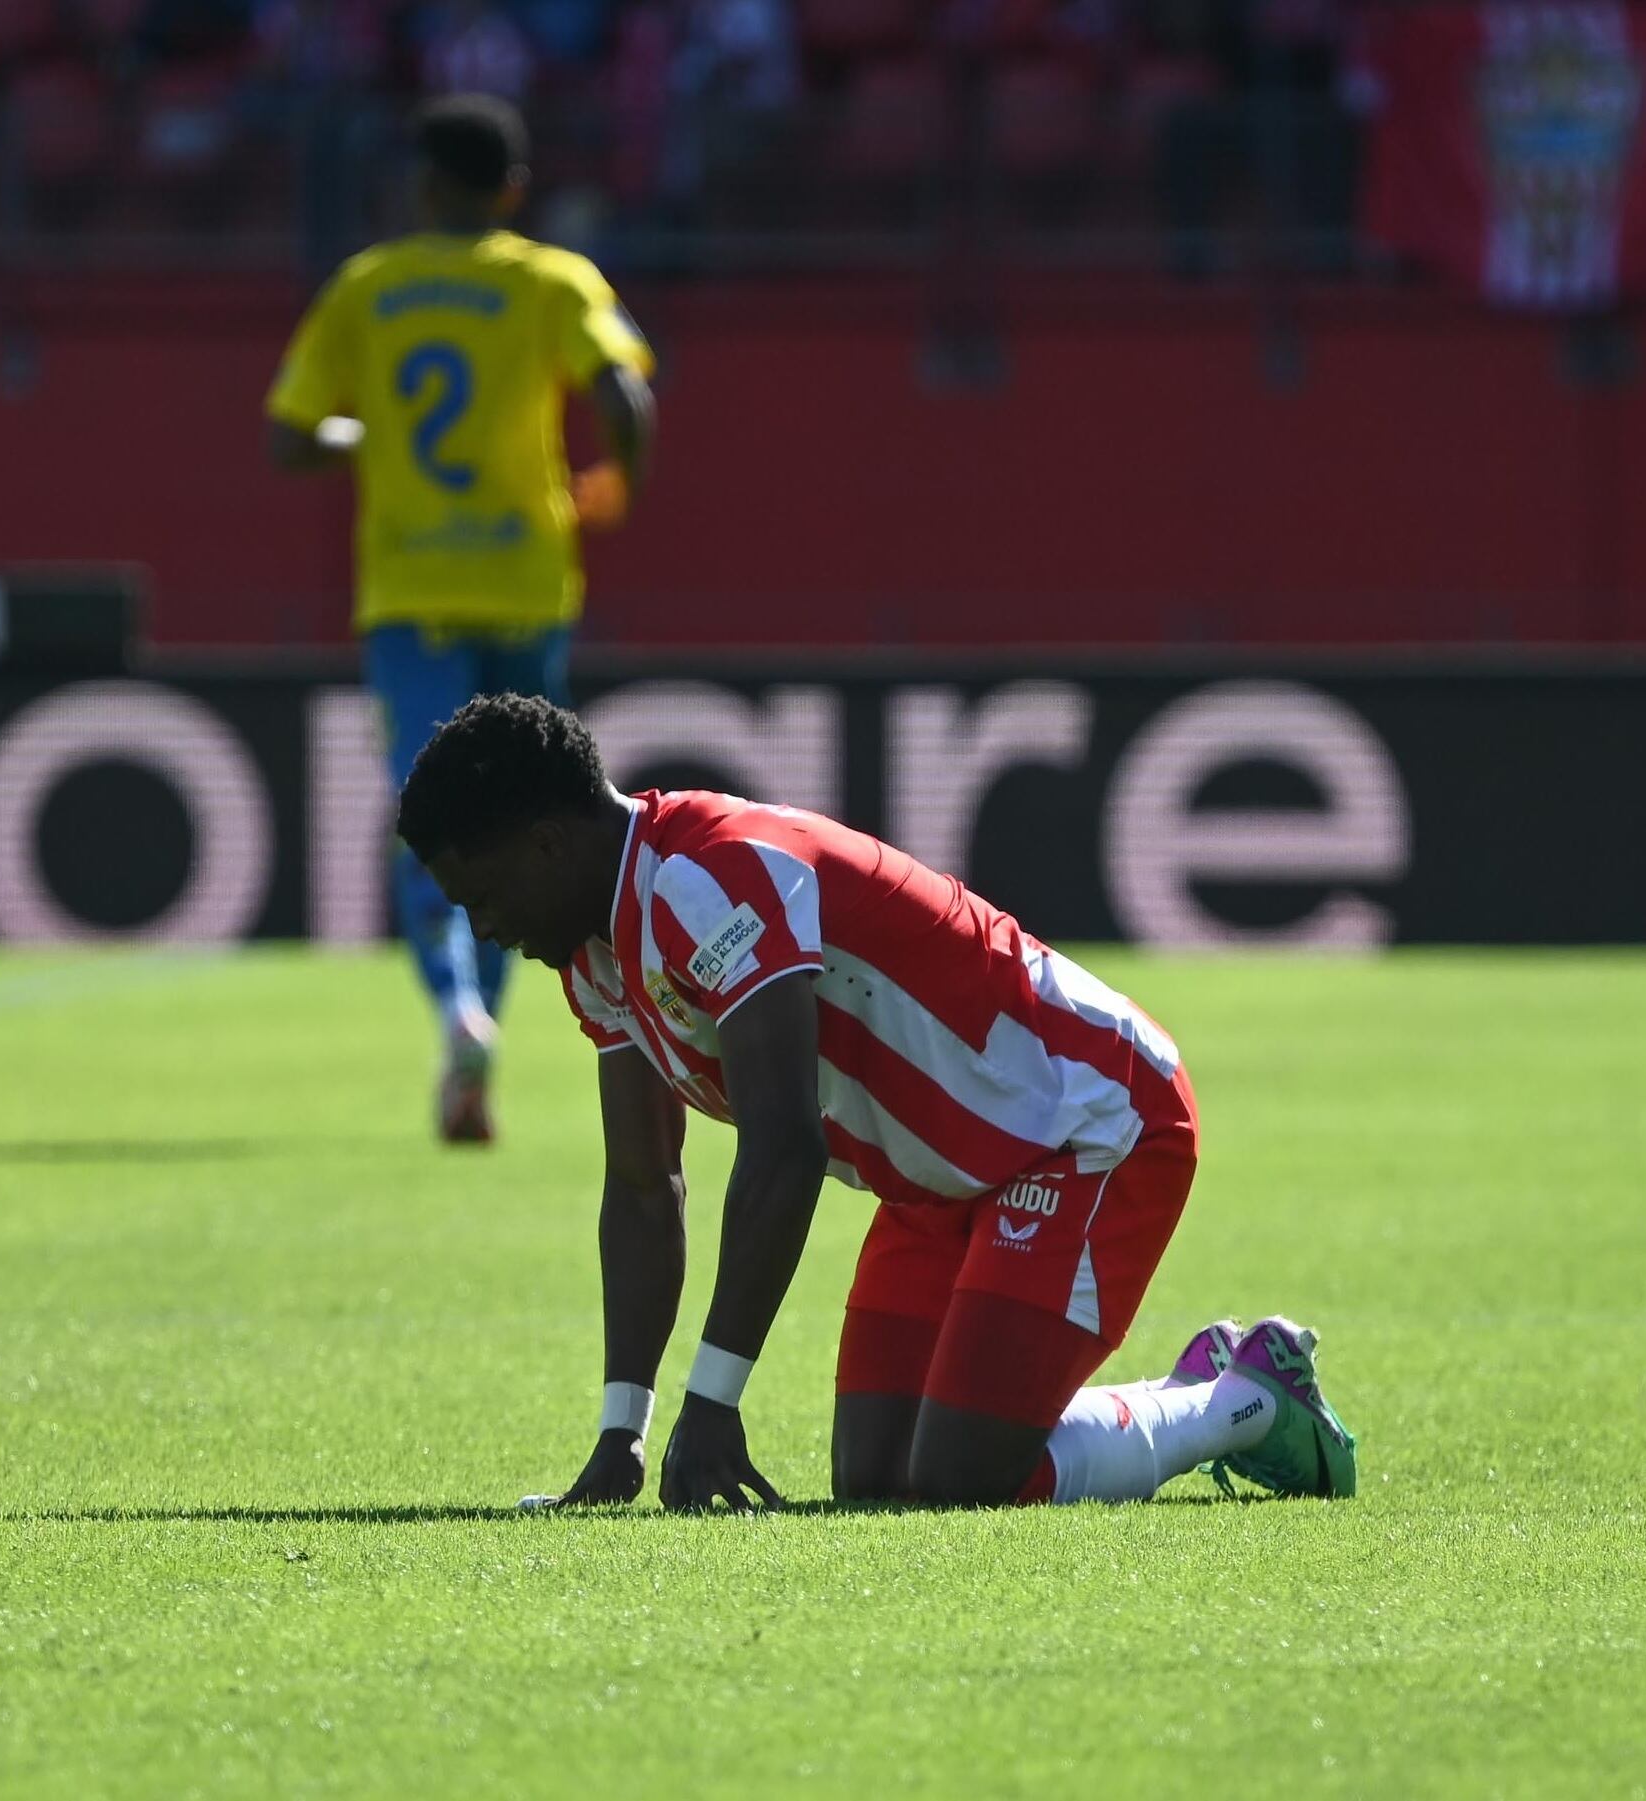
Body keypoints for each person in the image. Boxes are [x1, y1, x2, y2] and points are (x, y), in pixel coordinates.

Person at [394, 694, 1361, 1510]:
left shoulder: (709, 875)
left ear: (547, 843)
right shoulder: (596, 955)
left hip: (1086, 1122)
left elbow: (783, 1145)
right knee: (874, 1482)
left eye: (481, 894)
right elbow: (647, 1185)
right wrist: (623, 1433)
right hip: (939, 1175)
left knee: (959, 1481)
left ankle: (1241, 1397)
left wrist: (716, 1398)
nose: (485, 928)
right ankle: (1186, 1393)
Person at [265, 95, 658, 1144]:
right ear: (513, 190)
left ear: (423, 185)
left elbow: (289, 436)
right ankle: (485, 1017)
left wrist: (373, 438)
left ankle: (457, 1012)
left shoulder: (370, 285)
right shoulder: (548, 279)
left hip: (411, 592)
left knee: (429, 810)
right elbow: (623, 396)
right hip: (525, 582)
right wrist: (617, 476)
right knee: (525, 821)